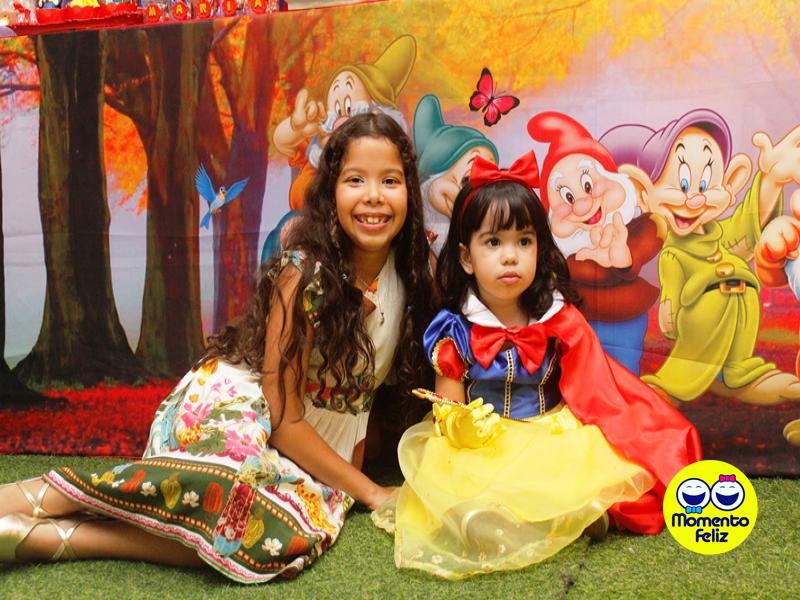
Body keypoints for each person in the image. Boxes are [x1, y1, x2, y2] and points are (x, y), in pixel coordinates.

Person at [0, 112, 435, 583]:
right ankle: (32, 500)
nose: (373, 196)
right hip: (244, 407)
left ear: (409, 192)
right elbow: (285, 421)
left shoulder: (413, 273)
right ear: (331, 192)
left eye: (389, 180)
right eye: (355, 180)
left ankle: (43, 538)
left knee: (259, 536)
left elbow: (366, 400)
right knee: (222, 492)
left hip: (315, 447)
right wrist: (372, 492)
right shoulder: (305, 273)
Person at [372, 151, 701, 579]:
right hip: (484, 447)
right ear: (467, 257)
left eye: (523, 242)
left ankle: (574, 511)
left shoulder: (557, 319)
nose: (510, 257)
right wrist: (463, 426)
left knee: (594, 473)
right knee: (464, 492)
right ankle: (502, 520)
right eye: (494, 243)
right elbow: (446, 411)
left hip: (550, 434)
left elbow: (597, 389)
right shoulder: (455, 330)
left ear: (540, 249)